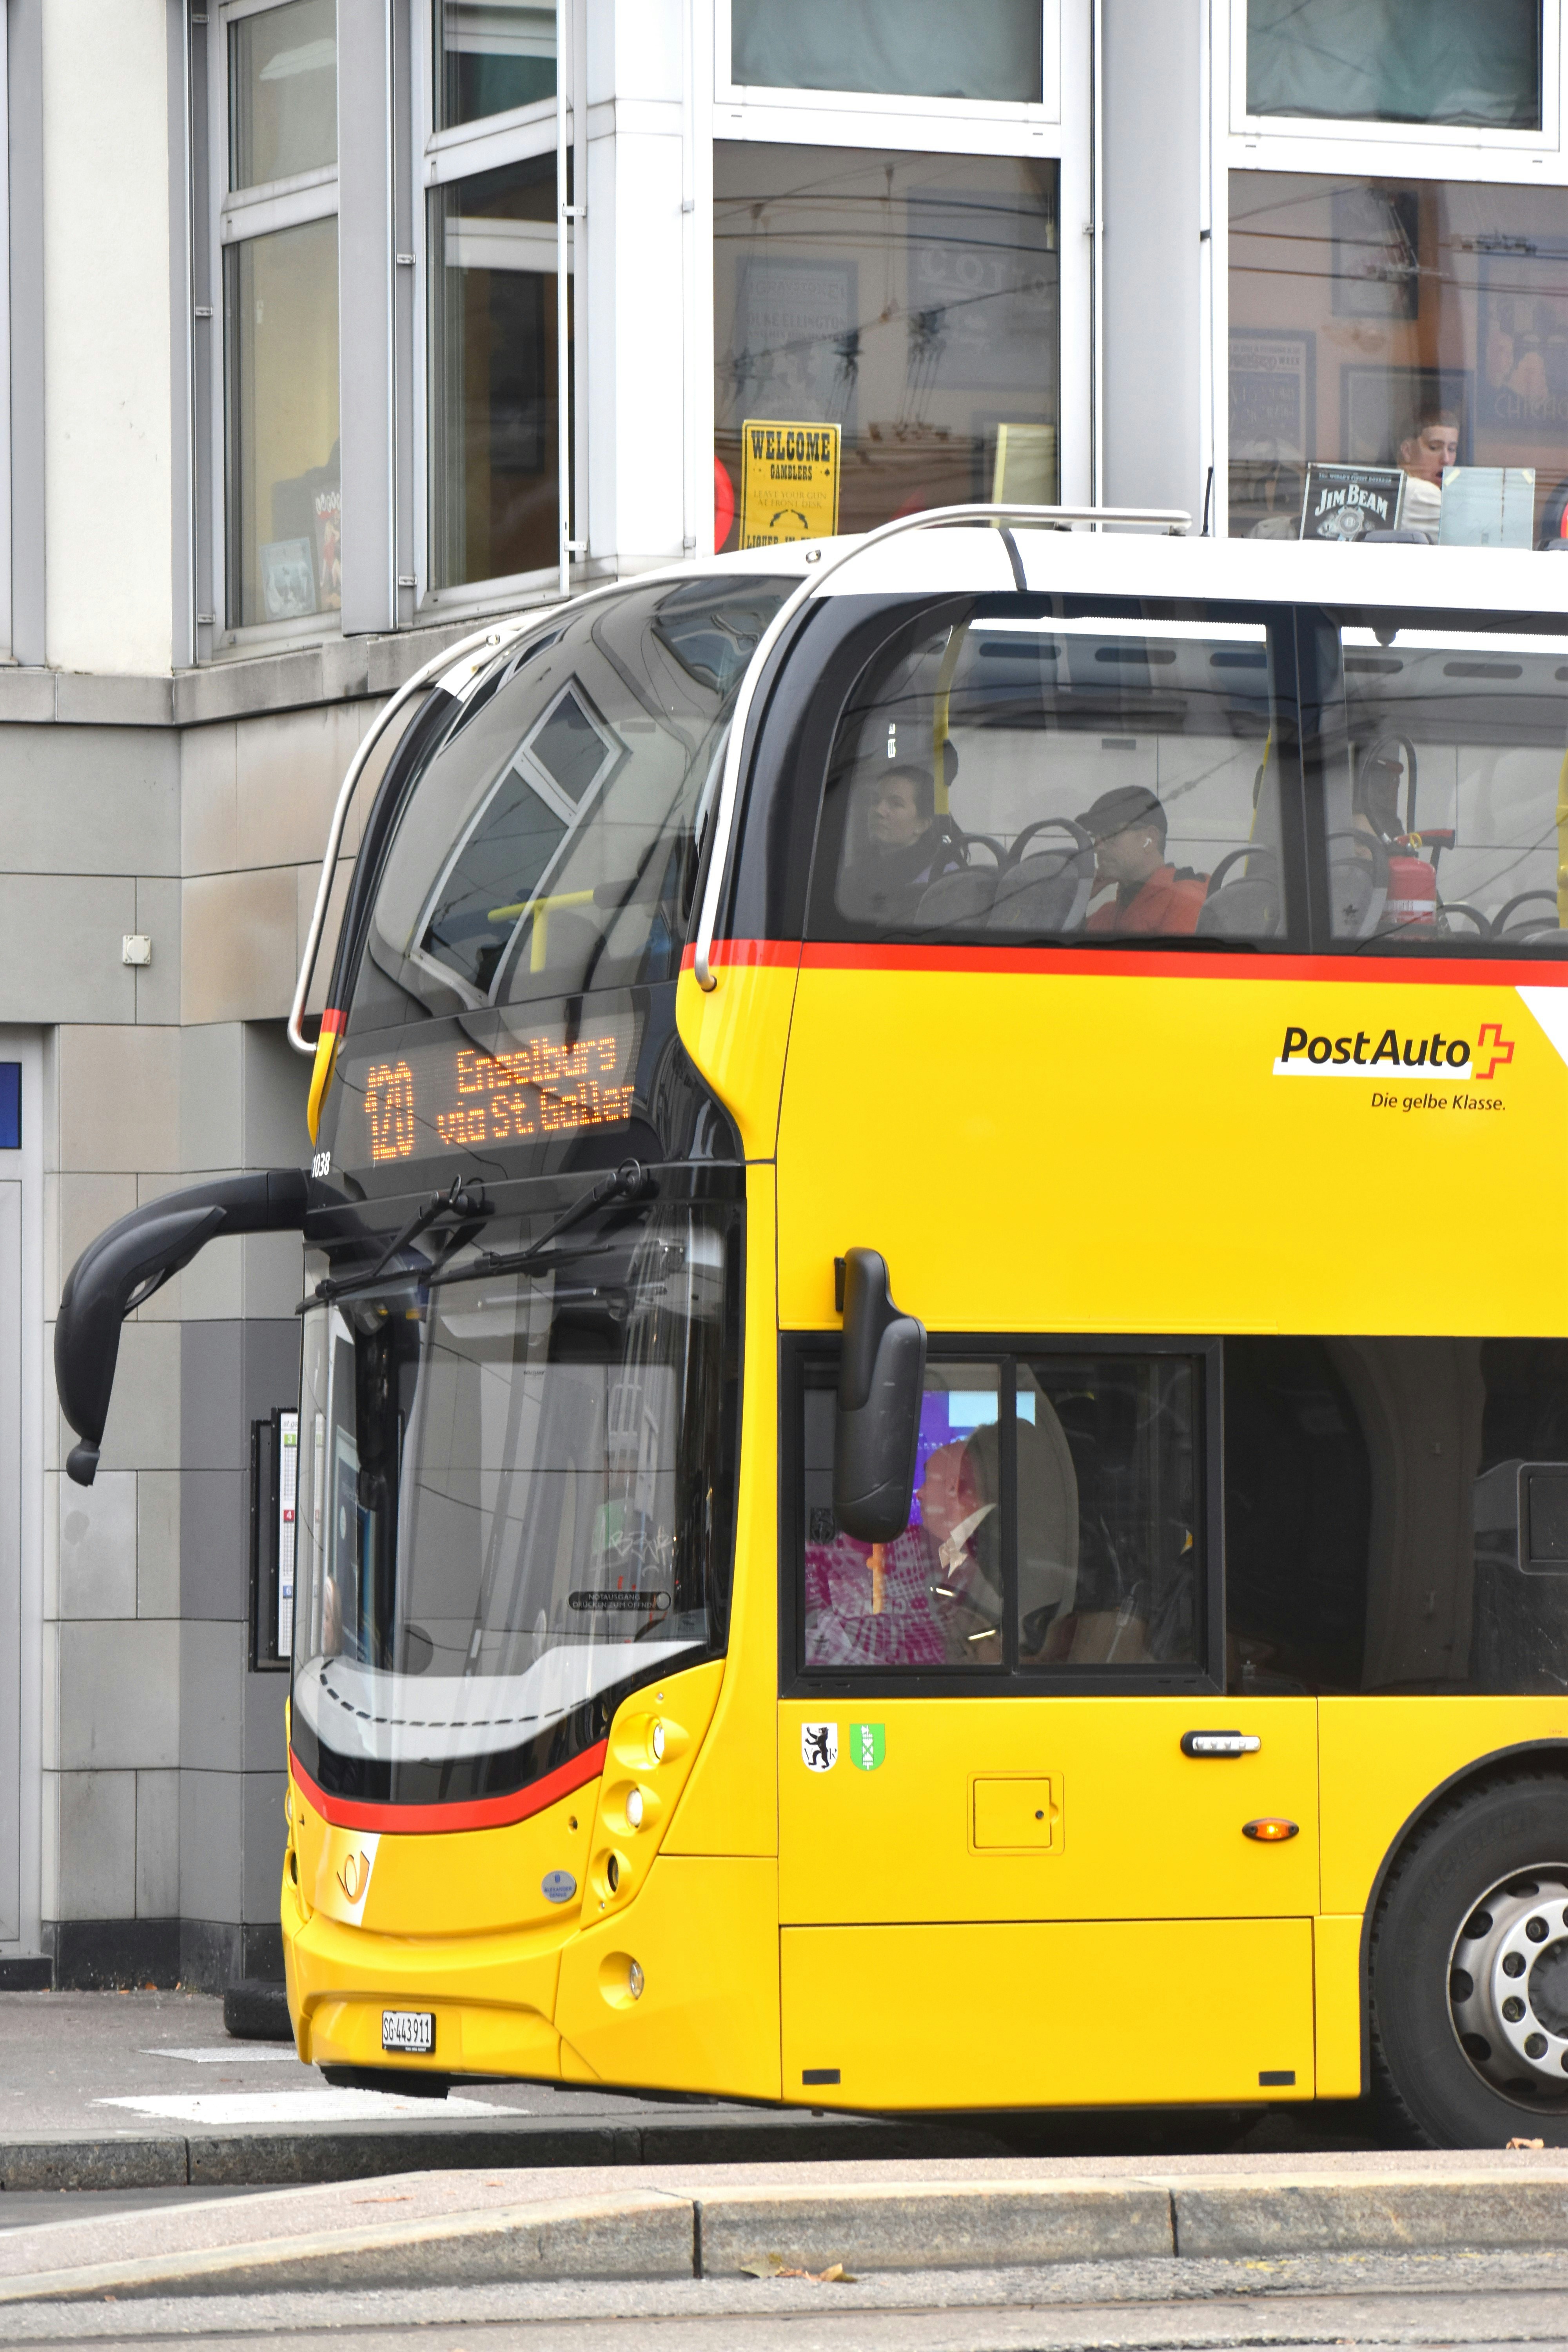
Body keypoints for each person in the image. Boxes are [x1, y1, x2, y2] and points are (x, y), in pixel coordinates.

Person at [839, 759, 960, 923]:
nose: (879, 811)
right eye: (875, 801)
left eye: (896, 804)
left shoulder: (941, 880)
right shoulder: (852, 875)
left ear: (922, 825)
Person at [1078, 786, 1207, 936]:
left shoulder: (1186, 902)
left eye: (1110, 834)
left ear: (1150, 839)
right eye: (1095, 836)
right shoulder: (1107, 916)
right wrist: (1079, 899)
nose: (1097, 847)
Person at [1396, 407, 1459, 534]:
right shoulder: (1421, 492)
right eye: (1434, 447)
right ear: (1407, 451)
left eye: (1452, 449)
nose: (1446, 460)